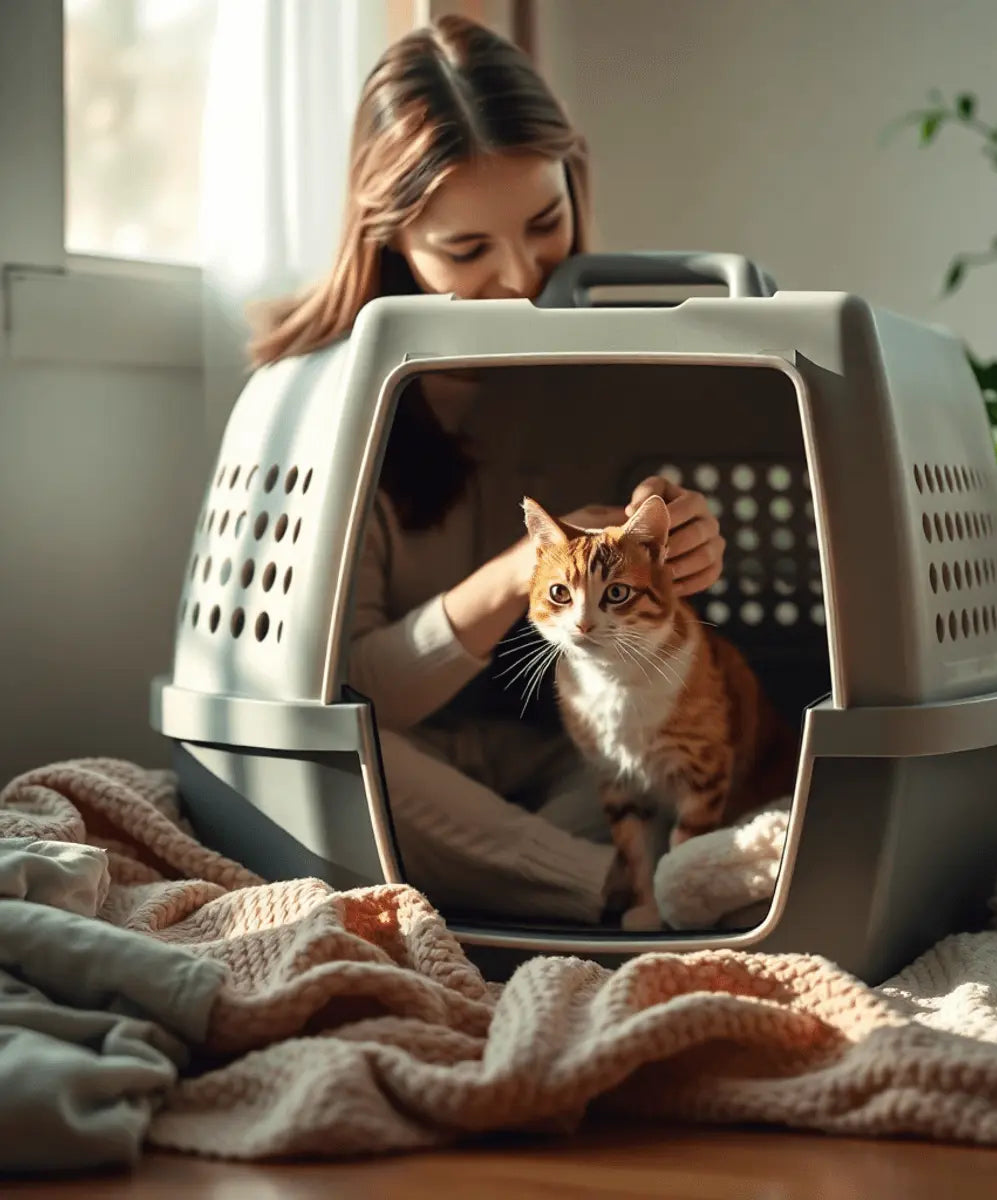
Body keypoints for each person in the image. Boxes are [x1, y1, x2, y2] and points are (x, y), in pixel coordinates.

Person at [247, 16, 726, 923]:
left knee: (635, 766)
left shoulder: (601, 370)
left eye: (547, 223)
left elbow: (639, 649)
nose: (520, 275)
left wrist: (677, 544)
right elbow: (351, 694)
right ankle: (611, 889)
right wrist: (522, 569)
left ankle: (591, 877)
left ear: (575, 181)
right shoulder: (323, 400)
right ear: (392, 241)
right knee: (336, 769)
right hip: (399, 761)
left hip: (549, 750)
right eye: (466, 251)